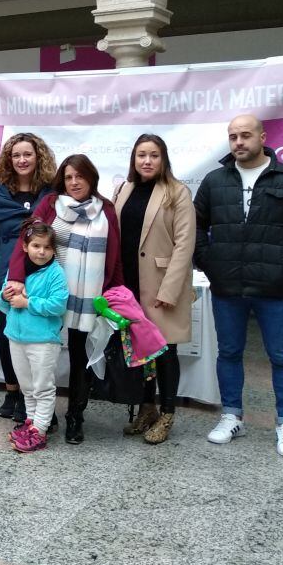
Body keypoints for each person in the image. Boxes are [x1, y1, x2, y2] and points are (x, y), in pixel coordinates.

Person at [194, 114, 283, 458]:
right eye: (233, 136)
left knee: (282, 357)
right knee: (230, 353)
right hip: (228, 286)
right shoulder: (215, 180)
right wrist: (210, 263)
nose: (238, 142)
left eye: (245, 135)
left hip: (275, 288)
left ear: (263, 137)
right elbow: (195, 226)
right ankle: (232, 416)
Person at [4, 154, 123, 445]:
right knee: (42, 353)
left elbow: (115, 256)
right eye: (68, 177)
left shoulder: (105, 210)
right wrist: (16, 277)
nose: (74, 182)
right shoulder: (50, 204)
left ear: (91, 178)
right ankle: (44, 417)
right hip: (49, 291)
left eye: (79, 176)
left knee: (80, 356)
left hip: (87, 295)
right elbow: (26, 240)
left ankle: (75, 416)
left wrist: (116, 292)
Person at [113, 134, 195, 445]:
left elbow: (185, 246)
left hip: (161, 287)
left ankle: (168, 412)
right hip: (130, 285)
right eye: (141, 155)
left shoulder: (178, 193)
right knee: (141, 350)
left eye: (154, 155)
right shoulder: (124, 189)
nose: (147, 161)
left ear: (164, 159)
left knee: (165, 351)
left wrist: (169, 290)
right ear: (133, 159)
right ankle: (147, 408)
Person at [0, 132, 56, 424]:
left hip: (41, 282)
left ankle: (32, 397)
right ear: (9, 159)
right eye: (16, 155)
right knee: (9, 338)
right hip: (3, 279)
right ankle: (13, 392)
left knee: (37, 341)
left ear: (38, 157)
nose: (22, 160)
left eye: (28, 154)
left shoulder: (52, 193)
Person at [0, 220, 68, 453]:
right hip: (16, 338)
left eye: (47, 248)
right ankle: (31, 422)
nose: (42, 251)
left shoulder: (56, 273)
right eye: (36, 246)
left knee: (42, 387)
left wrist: (28, 303)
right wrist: (5, 296)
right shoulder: (17, 271)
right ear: (25, 247)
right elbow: (5, 303)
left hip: (43, 341)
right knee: (27, 387)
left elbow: (58, 305)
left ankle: (40, 429)